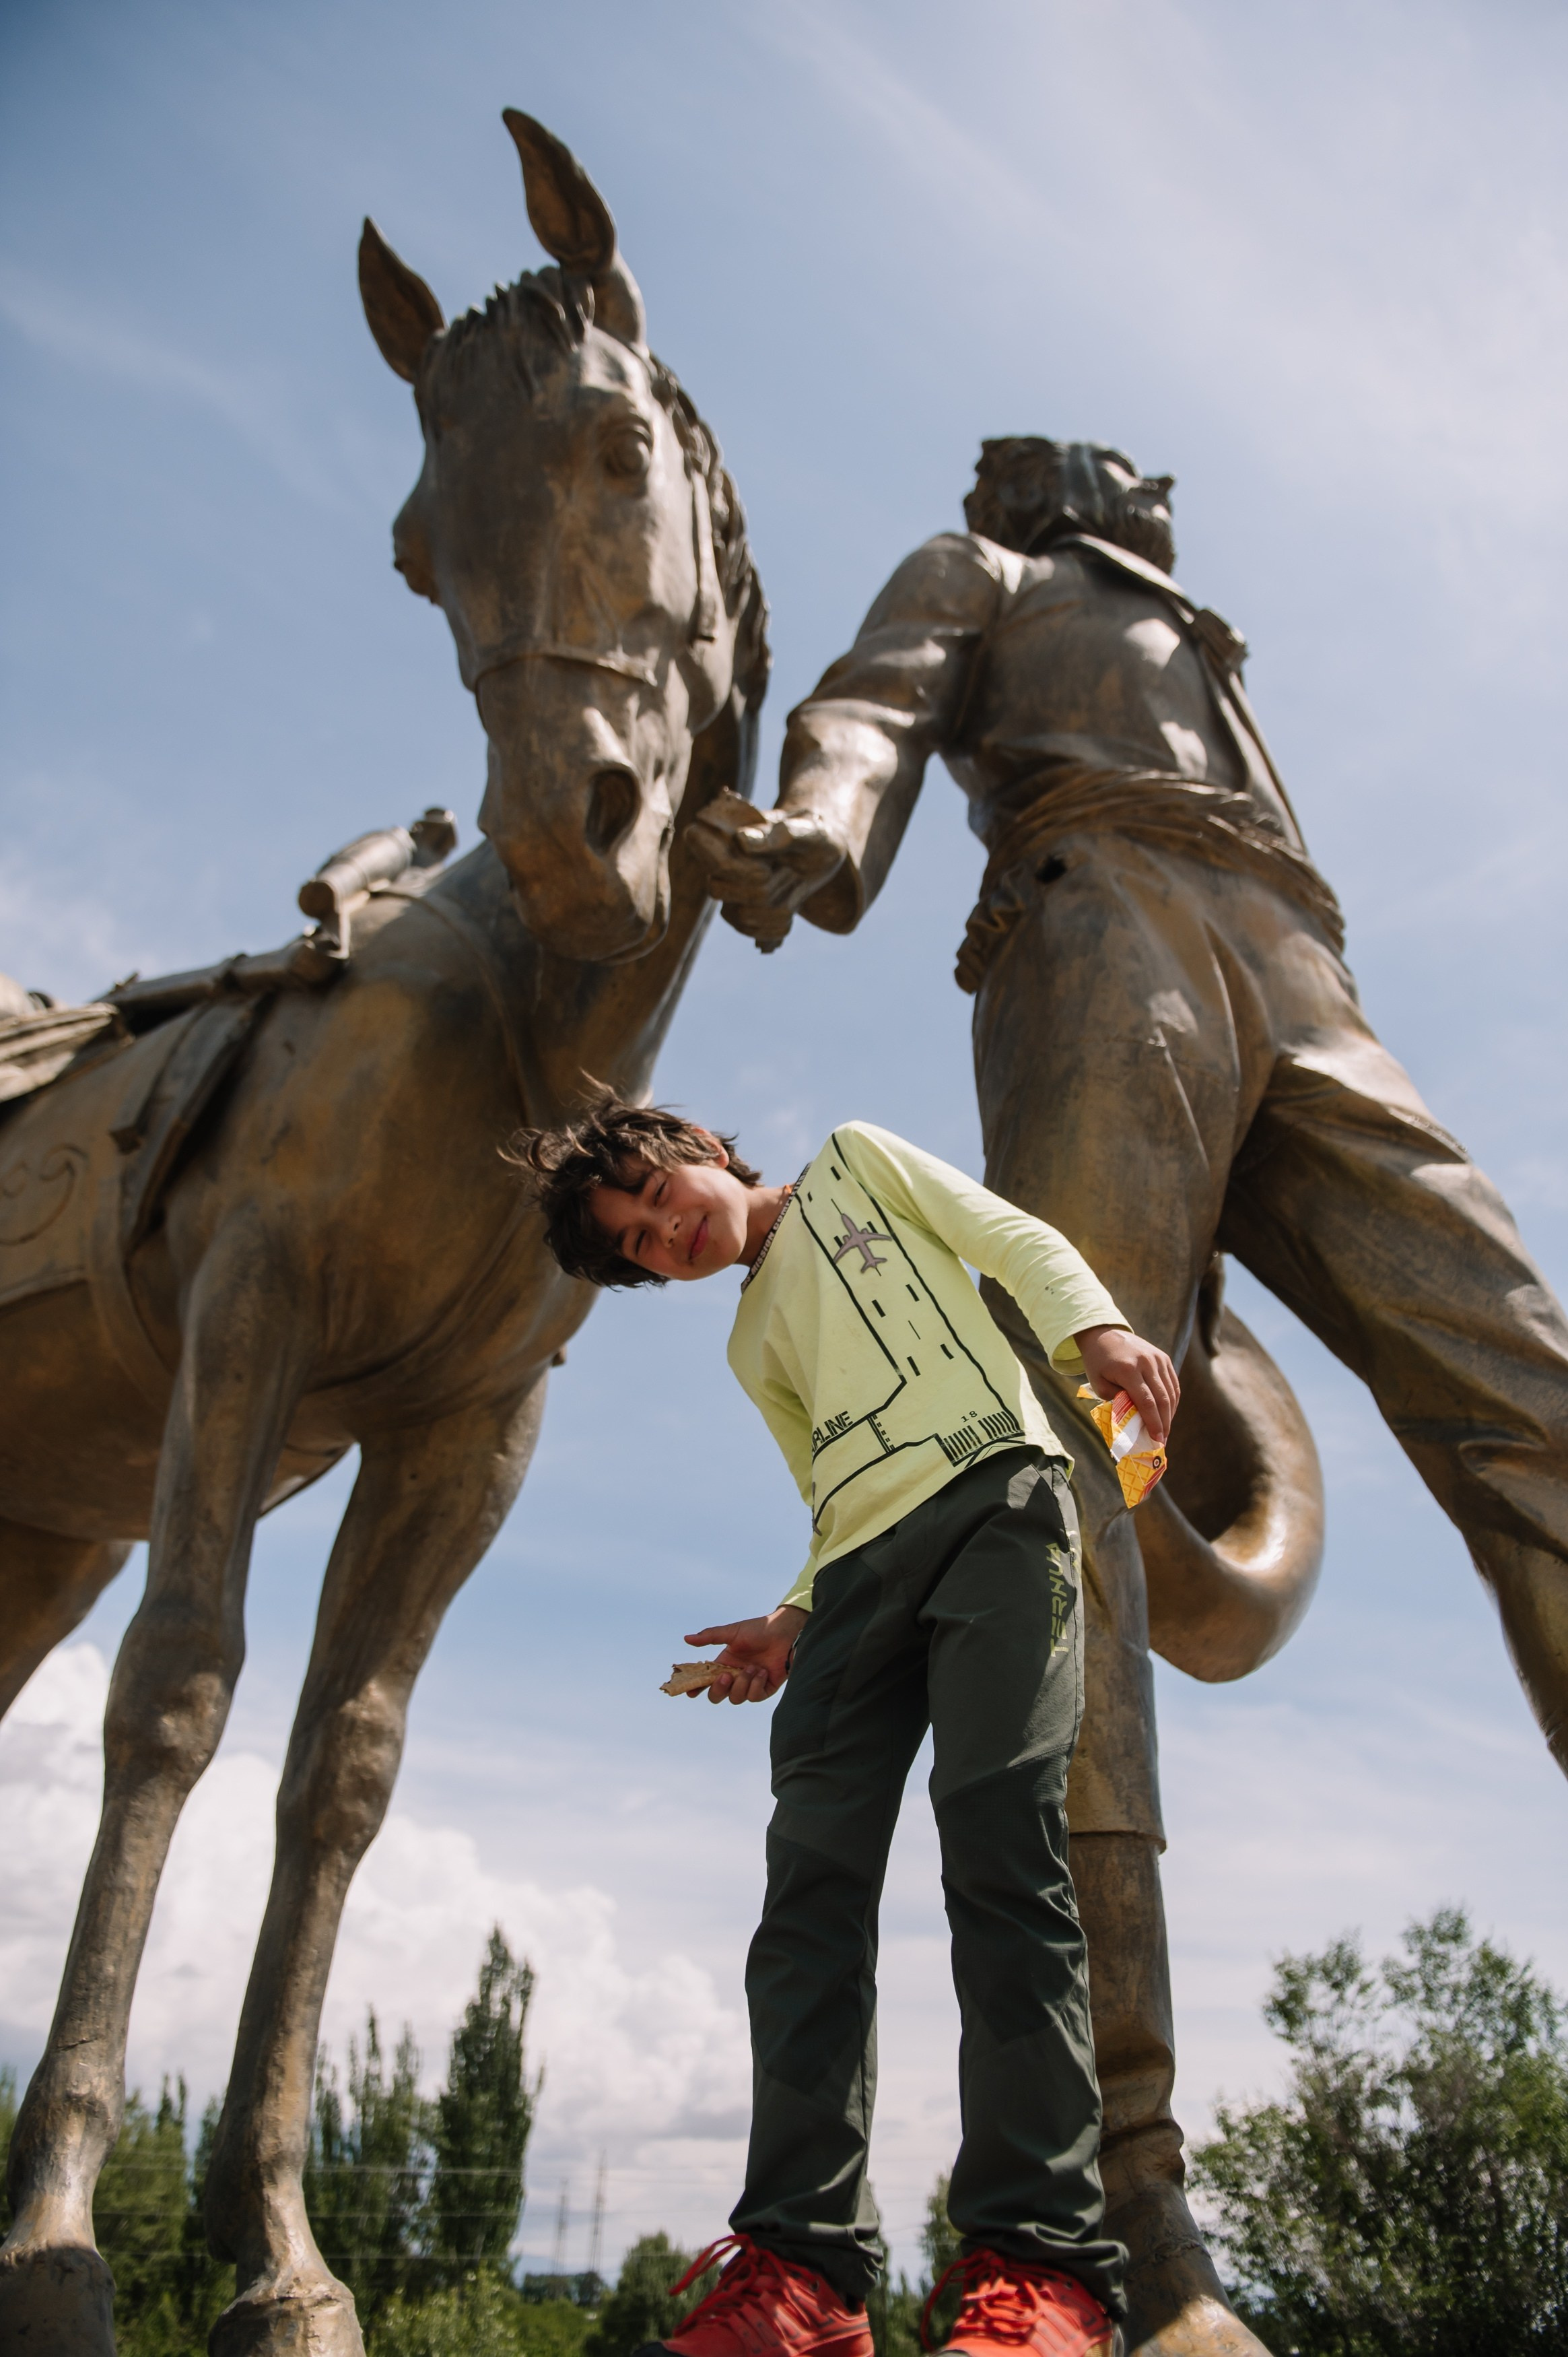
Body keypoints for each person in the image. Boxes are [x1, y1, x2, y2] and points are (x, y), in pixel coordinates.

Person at [685, 440, 1568, 2355]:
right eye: (1094, 460)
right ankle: (1120, 2235)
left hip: (1304, 963)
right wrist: (824, 833)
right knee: (1065, 1504)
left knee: (1537, 1397)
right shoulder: (991, 566)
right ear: (1029, 481)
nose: (1137, 475)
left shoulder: (1191, 624)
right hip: (1098, 923)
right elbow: (872, 700)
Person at [514, 1093, 1183, 2357]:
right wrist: (789, 1617)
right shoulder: (745, 1347)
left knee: (998, 1845)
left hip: (997, 1497)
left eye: (661, 1197)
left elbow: (1011, 1237)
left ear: (705, 1151)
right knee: (808, 1886)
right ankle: (801, 2276)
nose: (670, 1232)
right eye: (642, 1247)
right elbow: (828, 1489)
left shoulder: (855, 1164)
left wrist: (1089, 1330)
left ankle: (1041, 2267)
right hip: (860, 1577)